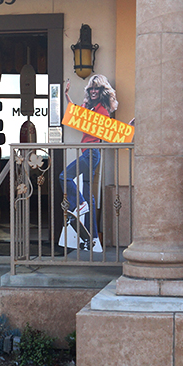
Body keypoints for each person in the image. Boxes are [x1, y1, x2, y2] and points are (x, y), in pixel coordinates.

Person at [60, 74, 118, 251]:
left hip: (91, 154)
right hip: (87, 153)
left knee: (64, 177)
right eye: (91, 88)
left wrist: (127, 129)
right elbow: (76, 114)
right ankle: (92, 240)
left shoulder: (103, 110)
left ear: (102, 92)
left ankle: (80, 203)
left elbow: (107, 130)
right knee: (89, 197)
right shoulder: (89, 107)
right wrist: (67, 96)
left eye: (97, 89)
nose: (93, 91)